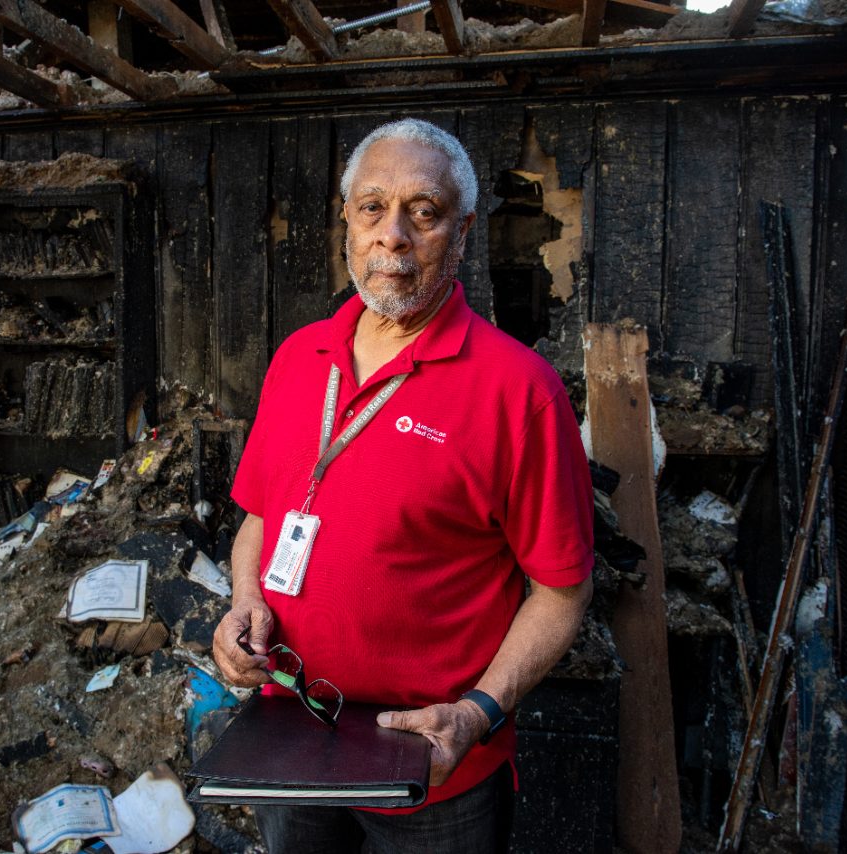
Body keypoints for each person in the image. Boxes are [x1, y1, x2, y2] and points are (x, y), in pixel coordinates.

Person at [211, 117, 595, 853]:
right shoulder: (298, 357)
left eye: (424, 211)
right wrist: (245, 604)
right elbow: (260, 517)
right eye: (372, 207)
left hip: (432, 761)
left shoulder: (519, 392)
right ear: (347, 222)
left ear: (462, 232)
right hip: (288, 732)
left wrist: (480, 711)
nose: (393, 235)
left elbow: (562, 590)